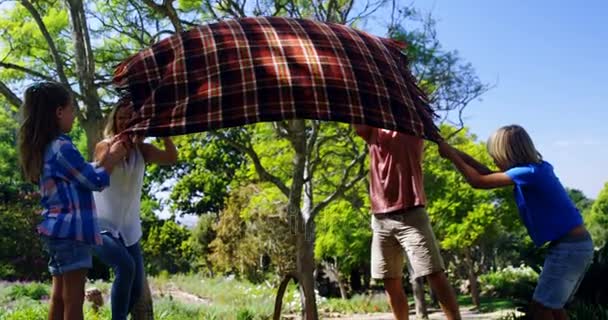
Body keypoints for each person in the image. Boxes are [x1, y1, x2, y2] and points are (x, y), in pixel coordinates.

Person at [438, 124, 593, 320]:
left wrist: (452, 156)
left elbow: (478, 181)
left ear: (508, 154)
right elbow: (485, 173)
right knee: (553, 307)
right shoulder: (536, 169)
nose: (493, 160)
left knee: (540, 311)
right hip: (573, 246)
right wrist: (454, 151)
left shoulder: (528, 173)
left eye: (495, 155)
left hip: (570, 248)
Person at [18, 81, 127, 320]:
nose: (74, 115)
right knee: (74, 300)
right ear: (59, 112)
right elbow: (93, 181)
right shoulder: (62, 147)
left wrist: (101, 162)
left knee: (59, 297)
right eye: (71, 110)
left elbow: (79, 174)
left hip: (56, 231)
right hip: (72, 234)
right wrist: (113, 159)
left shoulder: (46, 148)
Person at [354, 125, 461, 320]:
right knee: (390, 280)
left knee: (434, 274)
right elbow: (356, 116)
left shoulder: (412, 127)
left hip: (411, 214)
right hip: (380, 219)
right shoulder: (372, 129)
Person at [93, 102, 177, 320]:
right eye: (120, 117)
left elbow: (171, 157)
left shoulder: (143, 150)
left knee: (137, 286)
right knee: (125, 266)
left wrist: (163, 132)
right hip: (99, 225)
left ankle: (117, 316)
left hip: (129, 229)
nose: (125, 122)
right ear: (114, 120)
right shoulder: (105, 145)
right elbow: (98, 179)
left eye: (130, 117)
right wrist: (114, 154)